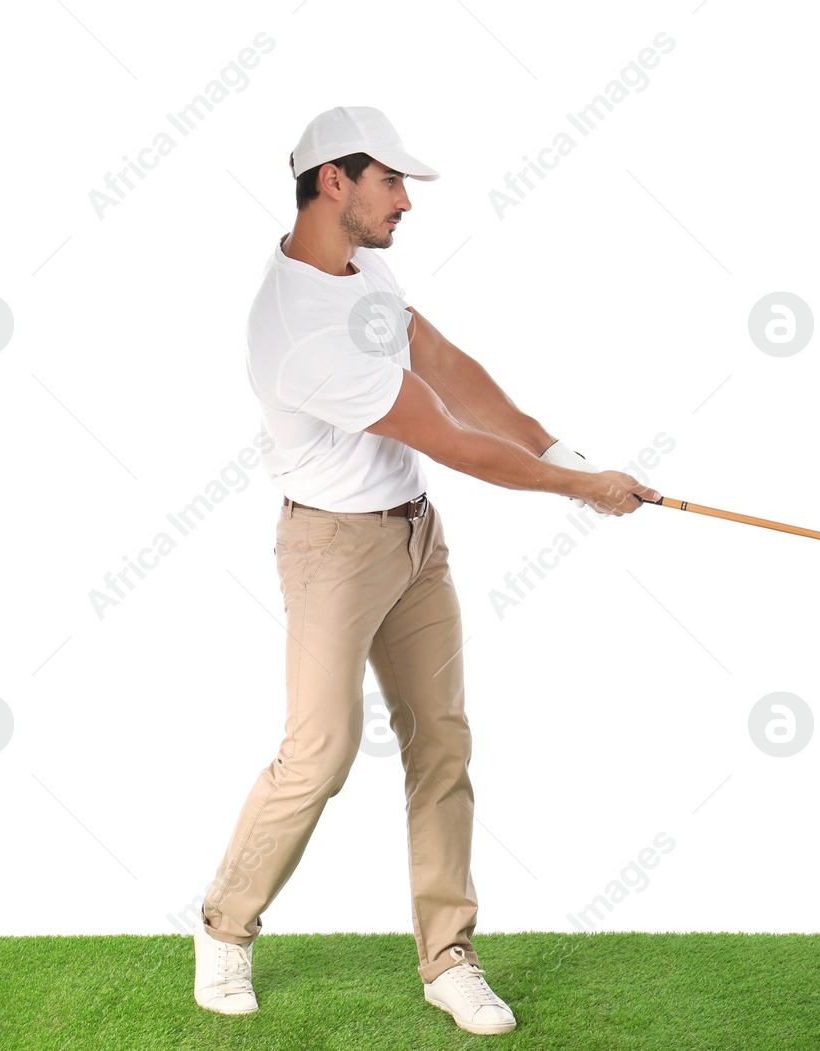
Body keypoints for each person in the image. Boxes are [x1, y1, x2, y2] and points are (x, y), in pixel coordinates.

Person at [192, 106, 659, 1036]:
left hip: (413, 538)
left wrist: (559, 447)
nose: (405, 200)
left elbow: (442, 360)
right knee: (319, 754)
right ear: (335, 181)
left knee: (442, 743)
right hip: (332, 551)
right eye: (391, 182)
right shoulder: (297, 328)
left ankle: (448, 955)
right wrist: (582, 488)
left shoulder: (363, 266)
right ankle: (224, 926)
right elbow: (446, 436)